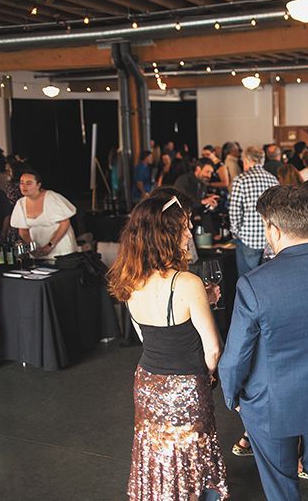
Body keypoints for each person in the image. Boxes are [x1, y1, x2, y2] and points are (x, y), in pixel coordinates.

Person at [219, 185, 308, 501]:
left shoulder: (255, 283)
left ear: (273, 228)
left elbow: (235, 356)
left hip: (272, 399)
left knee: (281, 483)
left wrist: (232, 396)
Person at [107, 190, 228, 501]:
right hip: (186, 384)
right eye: (184, 227)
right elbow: (212, 348)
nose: (189, 233)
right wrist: (210, 374)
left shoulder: (128, 277)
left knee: (158, 452)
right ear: (165, 235)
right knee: (190, 454)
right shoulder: (187, 283)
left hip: (148, 381)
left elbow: (147, 335)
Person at [228, 146, 279, 275]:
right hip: (269, 240)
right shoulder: (273, 180)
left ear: (247, 160)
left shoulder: (241, 180)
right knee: (265, 281)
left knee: (246, 281)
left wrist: (236, 233)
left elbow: (234, 211)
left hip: (247, 238)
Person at [10, 170, 79, 259]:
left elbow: (65, 223)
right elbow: (23, 230)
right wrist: (32, 248)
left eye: (29, 183)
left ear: (38, 185)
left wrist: (50, 245)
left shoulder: (52, 197)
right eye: (21, 183)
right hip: (38, 247)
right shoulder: (20, 203)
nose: (24, 186)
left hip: (59, 243)